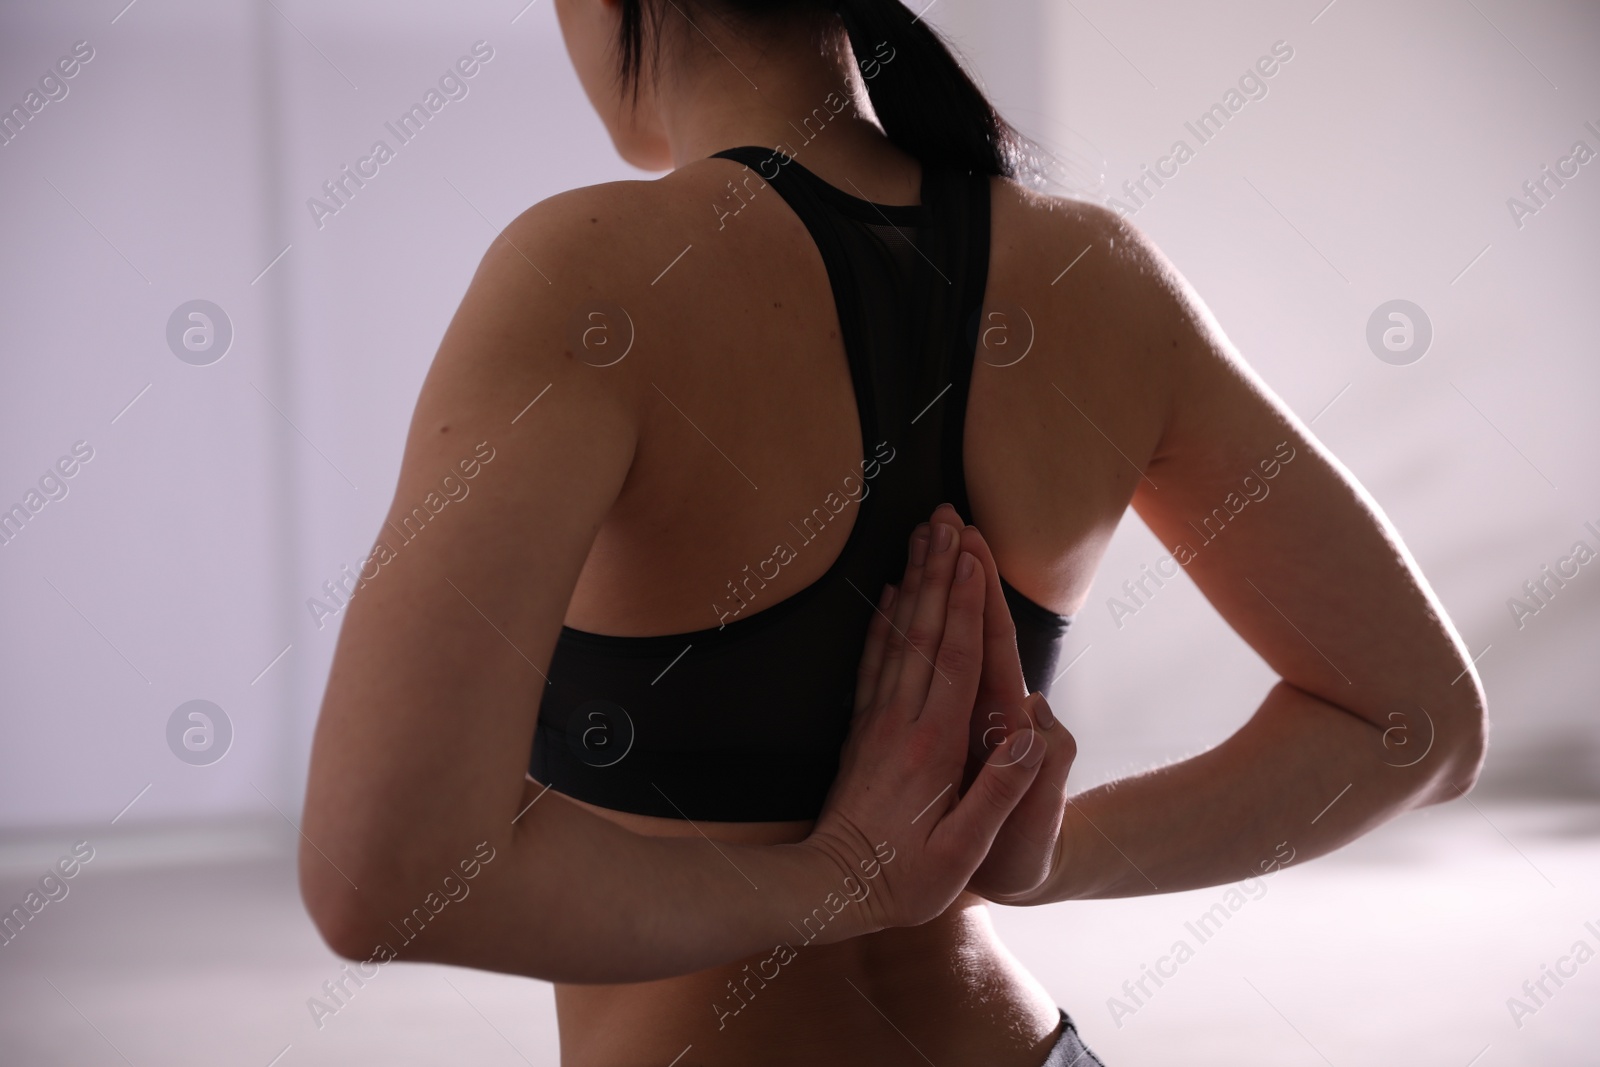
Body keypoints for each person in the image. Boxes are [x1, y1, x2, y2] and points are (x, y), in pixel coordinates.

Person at [298, 1, 1489, 1063]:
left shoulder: (590, 276)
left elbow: (379, 874)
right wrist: (1051, 855)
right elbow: (1415, 721)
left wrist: (832, 883)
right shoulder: (1098, 276)